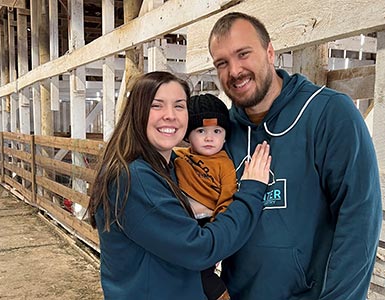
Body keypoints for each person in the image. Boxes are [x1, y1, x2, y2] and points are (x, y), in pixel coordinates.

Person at [208, 12, 383, 300]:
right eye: (222, 63)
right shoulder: (222, 134)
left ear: (269, 52)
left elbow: (359, 221)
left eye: (243, 54)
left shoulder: (329, 113)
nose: (235, 71)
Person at [87, 71, 271, 299]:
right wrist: (251, 190)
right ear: (137, 112)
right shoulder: (134, 178)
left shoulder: (172, 167)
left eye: (179, 106)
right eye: (157, 105)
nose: (170, 116)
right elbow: (200, 248)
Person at [174, 93, 236, 300]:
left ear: (225, 136)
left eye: (217, 131)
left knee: (203, 273)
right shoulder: (178, 157)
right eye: (201, 131)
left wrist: (216, 232)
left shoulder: (224, 164)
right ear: (188, 136)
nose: (210, 138)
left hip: (208, 226)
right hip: (182, 223)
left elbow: (227, 198)